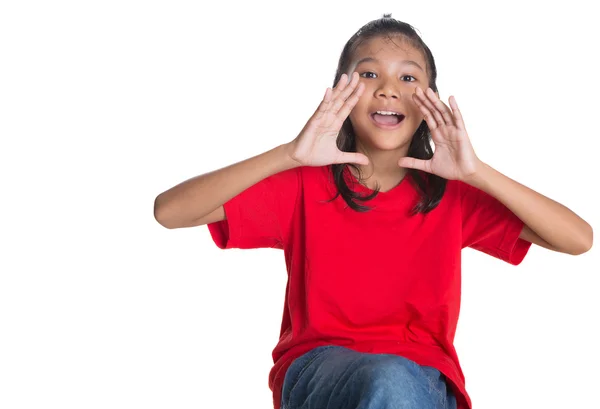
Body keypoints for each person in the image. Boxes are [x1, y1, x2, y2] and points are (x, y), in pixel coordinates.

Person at [154, 14, 593, 409]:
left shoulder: (452, 195)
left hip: (424, 383)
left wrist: (478, 173)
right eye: (369, 74)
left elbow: (577, 239)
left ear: (430, 102)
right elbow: (170, 211)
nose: (388, 88)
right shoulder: (305, 185)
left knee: (397, 384)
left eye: (407, 78)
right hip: (318, 371)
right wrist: (289, 154)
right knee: (387, 380)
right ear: (342, 91)